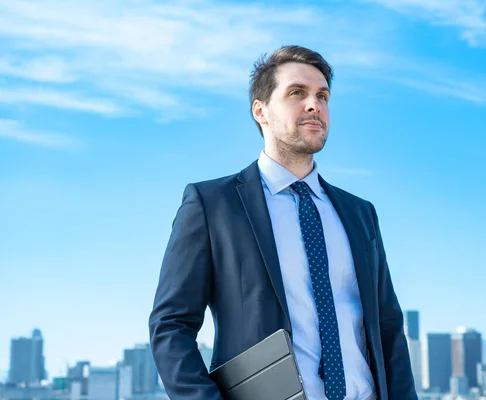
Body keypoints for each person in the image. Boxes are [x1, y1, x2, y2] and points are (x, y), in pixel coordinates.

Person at [149, 45, 417, 400]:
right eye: (297, 93)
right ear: (260, 111)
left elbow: (388, 329)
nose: (314, 105)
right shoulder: (213, 205)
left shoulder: (359, 213)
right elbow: (171, 326)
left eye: (322, 96)